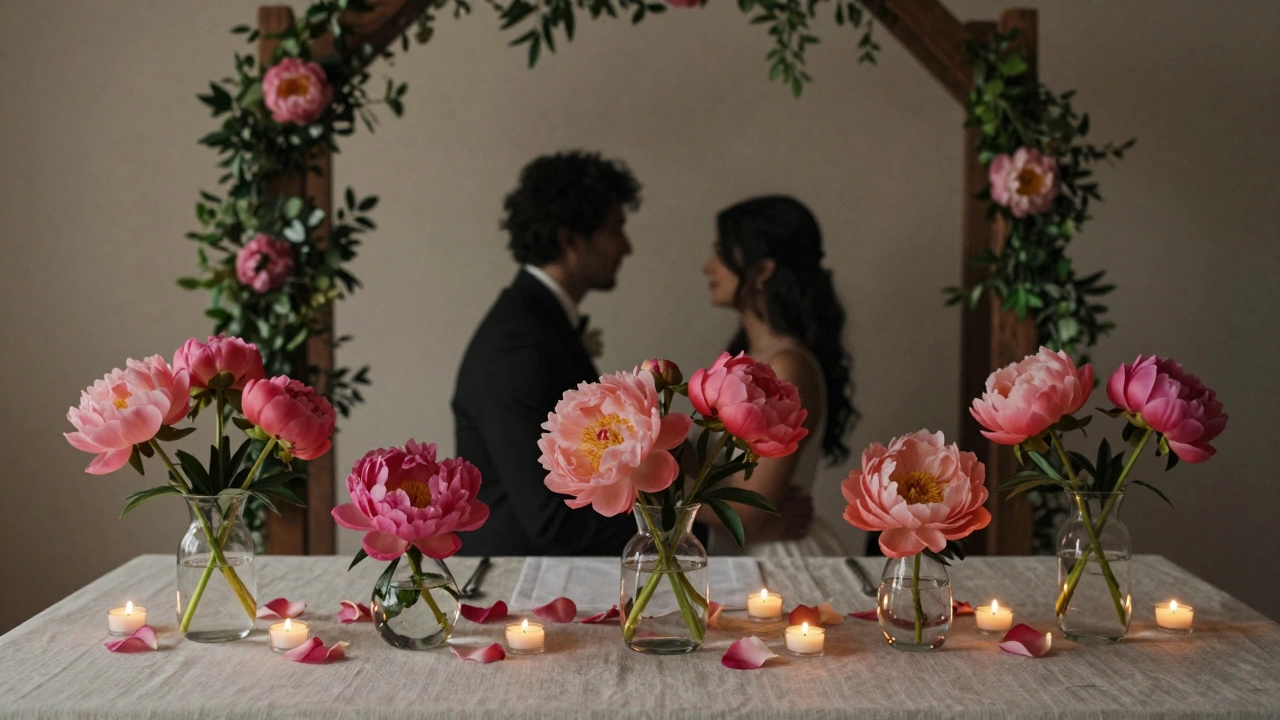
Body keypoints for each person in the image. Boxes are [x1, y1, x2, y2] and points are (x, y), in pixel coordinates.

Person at [452, 151, 643, 555]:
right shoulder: (518, 344)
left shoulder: (536, 322)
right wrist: (690, 525)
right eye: (615, 230)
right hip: (516, 579)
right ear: (569, 240)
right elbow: (551, 518)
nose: (626, 248)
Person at [697, 195, 859, 558]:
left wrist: (644, 490)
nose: (709, 267)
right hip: (735, 553)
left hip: (772, 560)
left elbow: (747, 513)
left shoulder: (786, 367)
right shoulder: (745, 360)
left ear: (763, 270)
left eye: (722, 253)